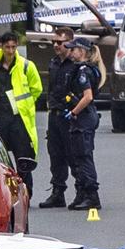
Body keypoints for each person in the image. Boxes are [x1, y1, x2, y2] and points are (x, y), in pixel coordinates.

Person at [0, 31, 42, 198]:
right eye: (7, 47)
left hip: (18, 119)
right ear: (1, 46)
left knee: (23, 158)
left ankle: (26, 194)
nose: (10, 51)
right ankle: (4, 194)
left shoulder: (26, 66)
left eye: (13, 47)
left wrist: (25, 106)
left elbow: (36, 89)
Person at [39, 27, 79, 209]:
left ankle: (82, 191)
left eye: (59, 42)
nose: (55, 45)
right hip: (54, 115)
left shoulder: (76, 65)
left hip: (70, 115)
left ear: (69, 43)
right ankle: (57, 192)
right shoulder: (53, 63)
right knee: (55, 155)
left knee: (74, 154)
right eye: (53, 42)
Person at [63, 37, 103, 210]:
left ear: (82, 51)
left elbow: (88, 97)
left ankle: (92, 196)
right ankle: (82, 194)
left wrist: (73, 112)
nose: (71, 53)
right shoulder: (86, 69)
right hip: (85, 117)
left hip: (84, 118)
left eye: (73, 50)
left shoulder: (84, 72)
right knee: (79, 156)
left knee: (84, 157)